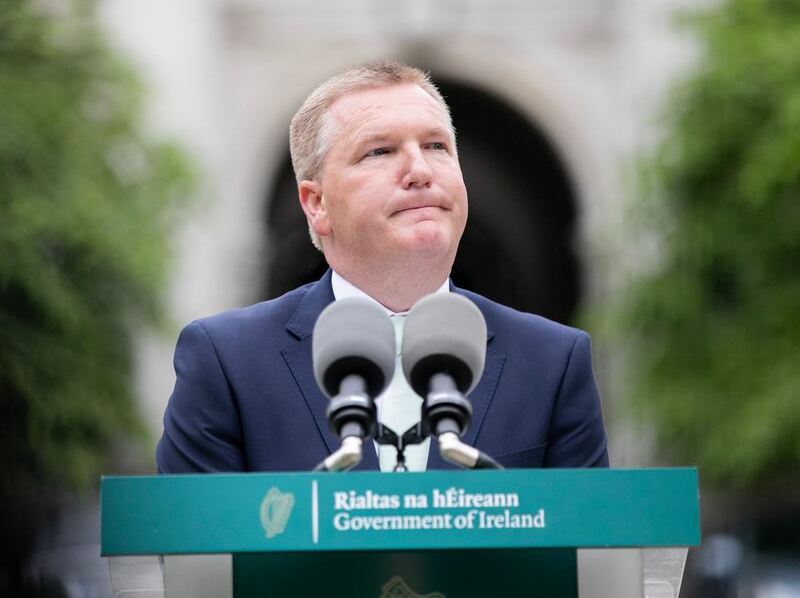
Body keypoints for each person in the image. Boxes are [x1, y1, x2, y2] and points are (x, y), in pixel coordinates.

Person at [156, 62, 608, 473]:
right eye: (380, 151)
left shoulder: (554, 363)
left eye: (436, 146)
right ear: (317, 205)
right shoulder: (226, 362)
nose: (419, 169)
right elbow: (193, 551)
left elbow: (596, 551)